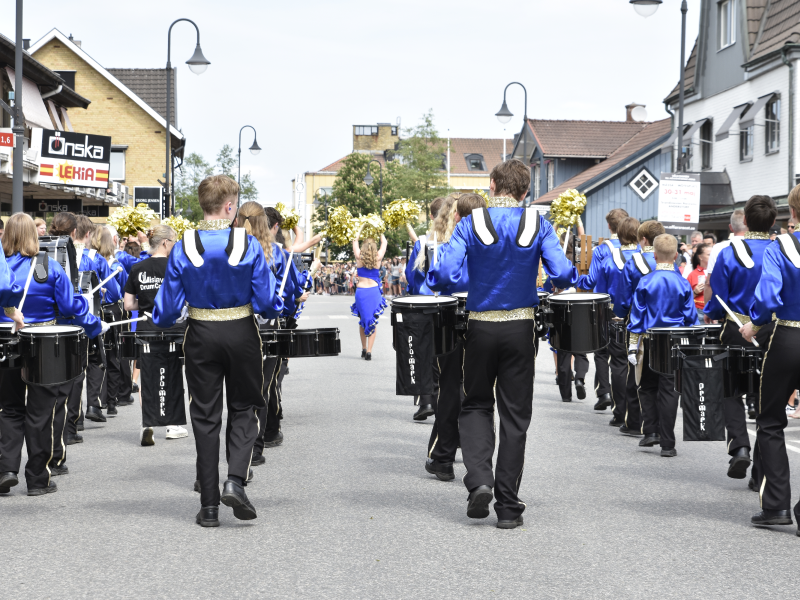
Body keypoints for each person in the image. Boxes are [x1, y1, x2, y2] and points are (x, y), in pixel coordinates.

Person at [427, 159, 577, 529]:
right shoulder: (539, 223)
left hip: (479, 326)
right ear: (526, 191)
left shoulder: (470, 223)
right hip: (521, 328)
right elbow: (561, 274)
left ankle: (479, 480)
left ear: (492, 185)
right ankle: (508, 506)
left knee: (476, 404)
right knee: (515, 417)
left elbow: (443, 275)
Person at [153, 175, 284, 527]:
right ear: (229, 207)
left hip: (199, 334)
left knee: (205, 416)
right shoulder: (248, 244)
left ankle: (209, 506)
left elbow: (165, 312)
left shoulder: (183, 245)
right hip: (241, 332)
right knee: (245, 407)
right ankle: (235, 482)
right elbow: (270, 303)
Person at [0, 213, 104, 496]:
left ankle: (6, 469)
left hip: (5, 342)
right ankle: (37, 479)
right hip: (43, 346)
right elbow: (71, 307)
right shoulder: (50, 267)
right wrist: (96, 326)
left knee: (9, 408)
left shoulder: (1, 269)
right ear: (35, 236)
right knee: (40, 413)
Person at [739, 184, 800, 529]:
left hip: (789, 335)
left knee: (771, 420)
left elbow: (767, 296)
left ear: (792, 212)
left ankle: (776, 506)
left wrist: (755, 324)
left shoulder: (783, 246)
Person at [705, 195, 776, 484]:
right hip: (772, 331)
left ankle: (739, 446)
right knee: (764, 400)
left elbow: (718, 297)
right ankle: (759, 472)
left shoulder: (728, 252)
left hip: (735, 328)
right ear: (774, 222)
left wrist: (710, 312)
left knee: (730, 390)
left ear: (744, 220)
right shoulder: (780, 251)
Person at [423, 193, 486, 482]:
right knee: (479, 393)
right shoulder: (493, 243)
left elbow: (439, 278)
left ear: (458, 216)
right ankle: (473, 461)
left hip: (455, 317)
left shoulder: (455, 242)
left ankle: (443, 457)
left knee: (450, 389)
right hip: (487, 320)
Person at [628, 234, 696, 457]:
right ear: (676, 256)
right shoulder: (683, 283)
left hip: (649, 341)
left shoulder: (645, 281)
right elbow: (691, 319)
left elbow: (637, 318)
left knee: (647, 386)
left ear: (654, 255)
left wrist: (631, 345)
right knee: (669, 391)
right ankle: (668, 443)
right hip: (675, 342)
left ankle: (650, 432)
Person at [123, 225, 189, 446]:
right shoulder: (177, 267)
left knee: (147, 374)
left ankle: (147, 423)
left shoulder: (137, 267)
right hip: (173, 327)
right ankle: (173, 425)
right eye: (174, 241)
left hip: (146, 327)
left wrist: (148, 302)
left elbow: (128, 304)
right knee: (173, 372)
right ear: (165, 243)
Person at [613, 220, 667, 433]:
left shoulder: (634, 261)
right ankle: (659, 425)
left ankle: (634, 422)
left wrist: (619, 315)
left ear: (643, 240)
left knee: (635, 371)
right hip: (665, 324)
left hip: (639, 322)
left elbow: (624, 298)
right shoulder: (671, 260)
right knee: (661, 373)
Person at [575, 208, 629, 409]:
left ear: (609, 226)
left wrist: (574, 278)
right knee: (623, 356)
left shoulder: (601, 250)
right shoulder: (635, 250)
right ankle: (622, 401)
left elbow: (590, 281)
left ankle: (604, 392)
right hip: (629, 308)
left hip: (605, 306)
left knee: (601, 352)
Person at [591, 216, 640, 423]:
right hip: (643, 317)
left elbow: (600, 292)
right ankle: (640, 415)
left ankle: (620, 413)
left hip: (615, 315)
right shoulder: (646, 259)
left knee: (618, 365)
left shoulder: (609, 261)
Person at [554, 232, 589, 403]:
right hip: (580, 303)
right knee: (580, 349)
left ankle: (565, 393)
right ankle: (581, 378)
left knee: (563, 350)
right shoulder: (582, 260)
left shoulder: (560, 260)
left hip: (562, 303)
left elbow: (552, 282)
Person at [351, 229, 387, 360]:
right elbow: (385, 242)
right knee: (372, 321)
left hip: (361, 291)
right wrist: (379, 229)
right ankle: (370, 351)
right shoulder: (378, 257)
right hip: (373, 291)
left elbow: (355, 240)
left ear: (363, 246)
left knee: (362, 321)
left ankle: (363, 348)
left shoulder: (359, 256)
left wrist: (360, 228)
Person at [686, 243, 710, 324]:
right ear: (700, 257)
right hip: (699, 311)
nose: (712, 257)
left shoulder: (718, 272)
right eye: (709, 255)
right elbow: (685, 299)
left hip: (714, 311)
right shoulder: (692, 275)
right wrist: (695, 292)